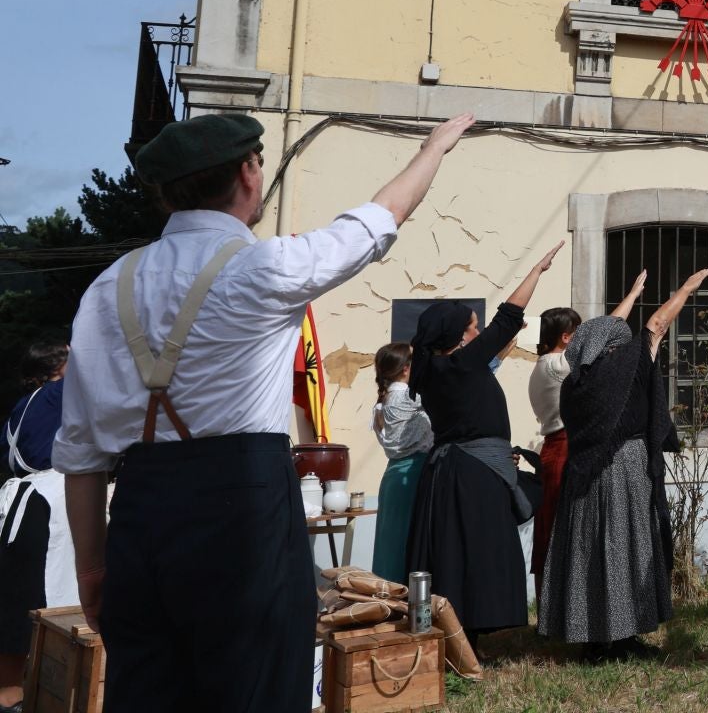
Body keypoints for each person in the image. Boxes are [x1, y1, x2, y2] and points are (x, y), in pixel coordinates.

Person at [54, 110, 473, 711]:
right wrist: (433, 148)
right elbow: (378, 220)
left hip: (141, 514)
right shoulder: (263, 267)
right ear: (250, 174)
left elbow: (81, 456)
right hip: (241, 511)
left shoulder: (105, 289)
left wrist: (93, 573)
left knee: (144, 693)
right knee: (256, 689)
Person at [539, 267, 705, 653]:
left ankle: (592, 638)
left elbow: (599, 335)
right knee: (625, 548)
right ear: (616, 347)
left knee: (591, 552)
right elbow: (658, 324)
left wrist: (631, 294)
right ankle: (624, 635)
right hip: (625, 468)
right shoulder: (625, 370)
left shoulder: (575, 383)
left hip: (582, 478)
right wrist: (684, 288)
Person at [407, 239, 564, 638]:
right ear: (459, 337)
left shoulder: (435, 370)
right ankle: (468, 633)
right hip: (471, 475)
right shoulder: (462, 363)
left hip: (453, 472)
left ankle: (458, 631)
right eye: (472, 328)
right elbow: (509, 317)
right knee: (474, 553)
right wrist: (536, 271)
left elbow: (502, 329)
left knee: (455, 554)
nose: (479, 333)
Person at [0, 340, 71, 709]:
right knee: (43, 598)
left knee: (16, 596)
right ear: (55, 371)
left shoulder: (20, 406)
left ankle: (10, 692)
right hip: (49, 504)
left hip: (20, 506)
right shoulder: (57, 395)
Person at [529, 303, 582, 602]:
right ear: (565, 337)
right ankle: (560, 605)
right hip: (562, 446)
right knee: (561, 528)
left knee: (550, 527)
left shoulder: (541, 366)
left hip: (554, 447)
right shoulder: (557, 364)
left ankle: (551, 604)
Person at [370, 342, 431, 585]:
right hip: (413, 475)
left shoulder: (382, 401)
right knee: (408, 544)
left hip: (393, 476)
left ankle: (388, 602)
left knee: (390, 543)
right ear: (406, 368)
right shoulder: (408, 396)